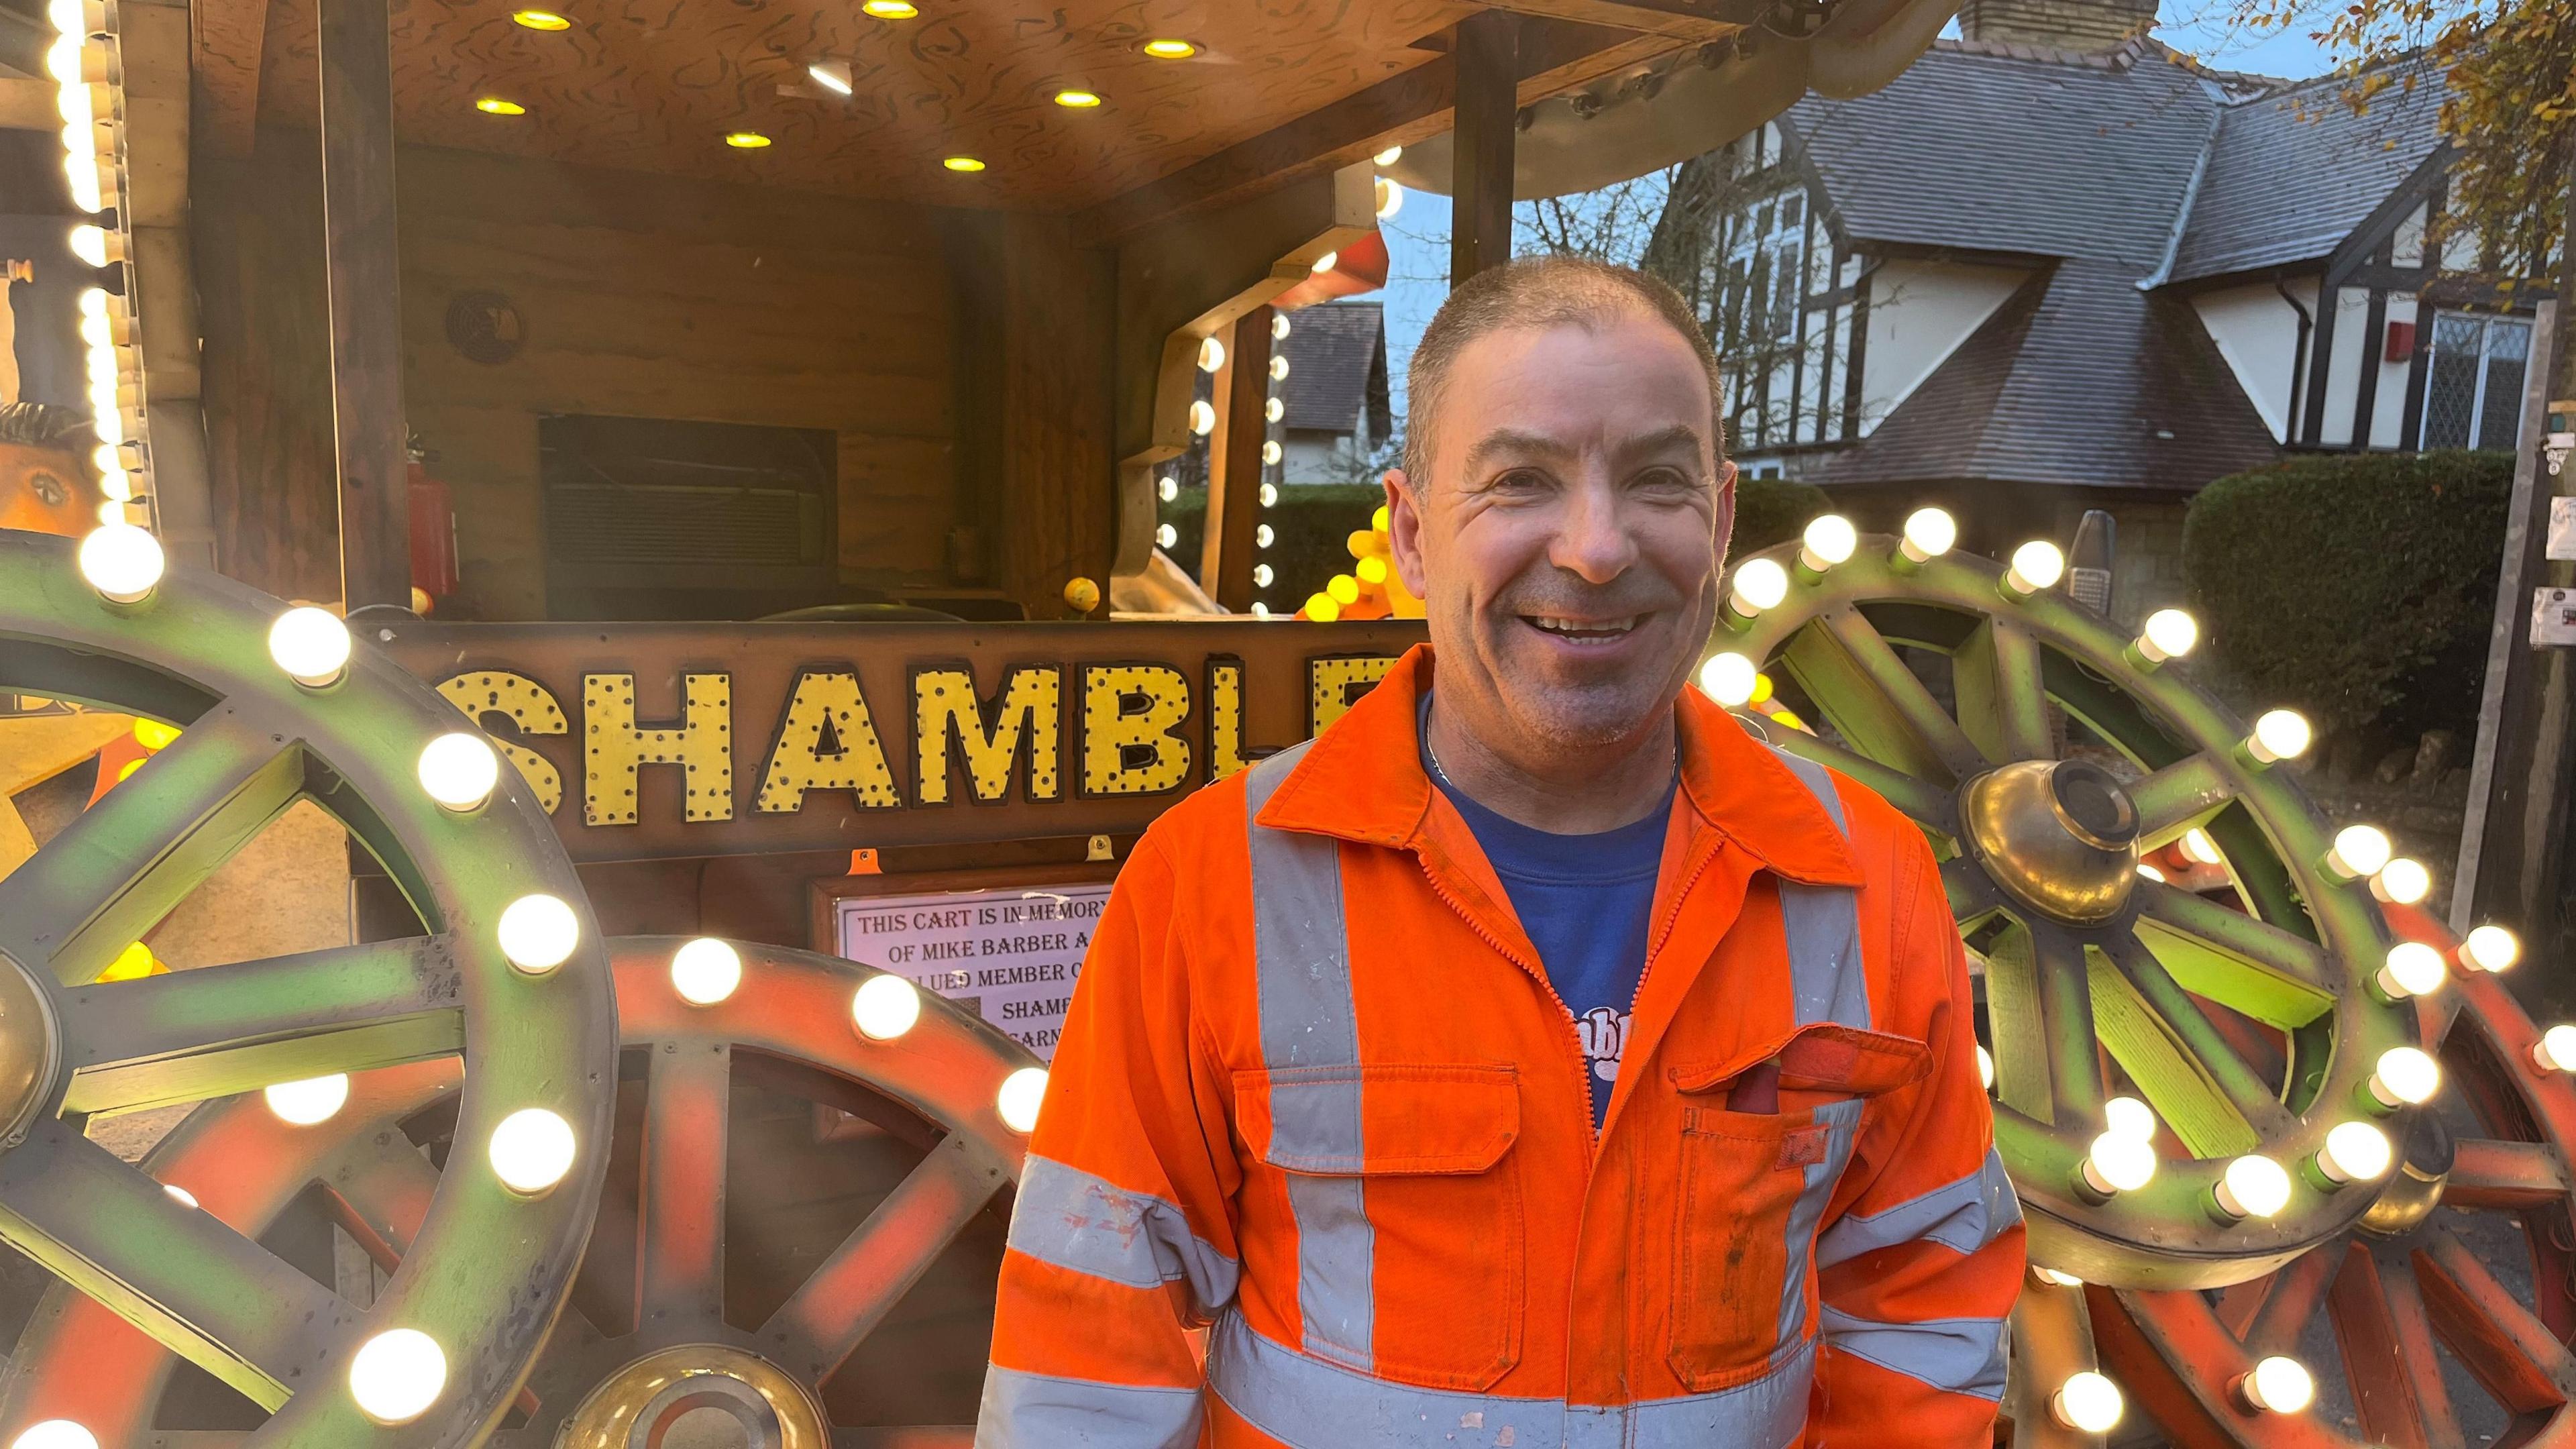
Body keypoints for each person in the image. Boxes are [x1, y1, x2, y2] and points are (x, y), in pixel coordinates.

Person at [976, 256, 2023, 1448]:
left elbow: (1922, 1303)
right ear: (1414, 536)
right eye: (1521, 480)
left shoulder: (1866, 881)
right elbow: (1087, 1358)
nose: (1592, 547)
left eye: (1657, 481)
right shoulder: (1212, 882)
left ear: (1721, 521)